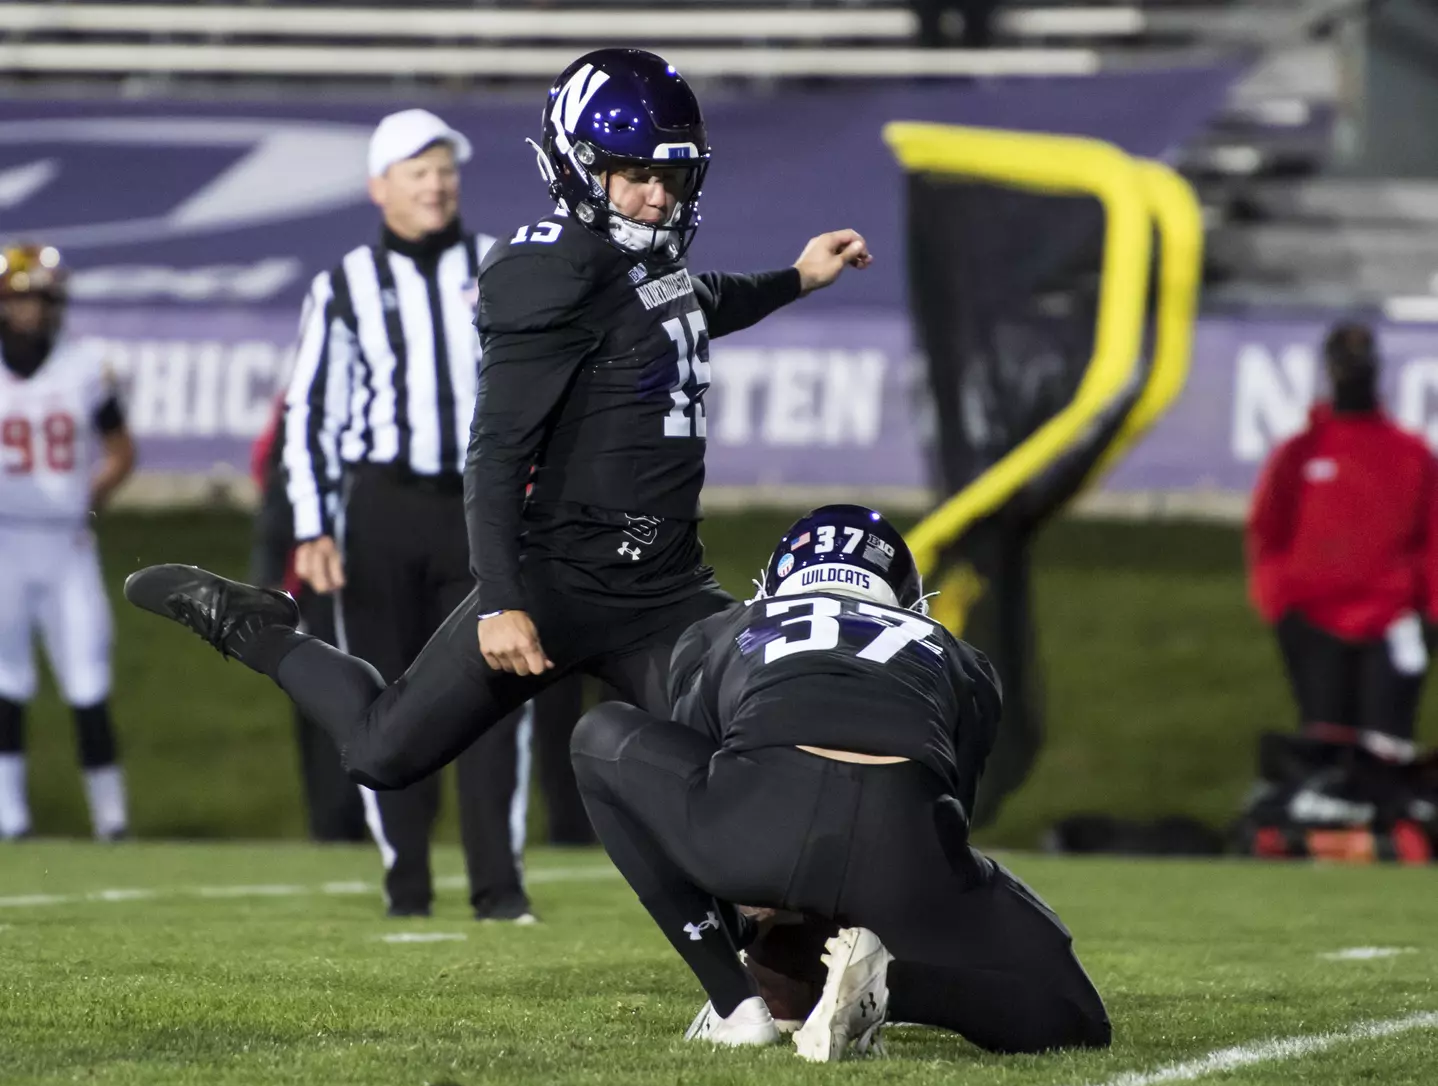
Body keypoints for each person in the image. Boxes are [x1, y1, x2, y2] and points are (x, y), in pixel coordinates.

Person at [120, 49, 869, 849]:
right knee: (381, 751)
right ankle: (253, 626)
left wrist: (795, 279)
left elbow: (692, 302)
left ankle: (772, 958)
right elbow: (498, 450)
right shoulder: (549, 268)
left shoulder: (645, 258)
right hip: (558, 583)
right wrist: (503, 599)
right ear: (580, 169)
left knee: (759, 741)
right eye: (635, 175)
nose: (658, 197)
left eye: (673, 177)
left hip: (662, 589)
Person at [569, 505, 1111, 1058]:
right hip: (903, 853)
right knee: (1073, 1016)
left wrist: (750, 900)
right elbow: (955, 805)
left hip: (755, 832)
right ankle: (886, 988)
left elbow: (695, 775)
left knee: (598, 735)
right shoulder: (957, 654)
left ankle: (738, 1004)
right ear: (905, 597)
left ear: (775, 583)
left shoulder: (724, 629)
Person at [280, 108, 532, 920]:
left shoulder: (501, 265)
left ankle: (501, 892)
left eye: (445, 170)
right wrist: (312, 523)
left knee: (496, 695)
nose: (436, 183)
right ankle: (408, 890)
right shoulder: (346, 284)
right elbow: (312, 412)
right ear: (378, 187)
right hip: (382, 507)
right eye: (417, 171)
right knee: (383, 700)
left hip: (477, 510)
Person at [1248, 321, 1438, 761]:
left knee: (1387, 748)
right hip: (1315, 621)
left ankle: (1384, 829)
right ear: (1331, 372)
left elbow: (1432, 536)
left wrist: (1431, 610)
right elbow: (1267, 531)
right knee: (1325, 743)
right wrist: (1279, 604)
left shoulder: (1409, 454)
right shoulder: (1301, 452)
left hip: (1391, 621)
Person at [0, 243, 136, 841]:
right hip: (3, 540)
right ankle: (9, 817)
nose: (30, 312)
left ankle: (112, 821)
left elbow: (120, 450)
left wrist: (87, 498)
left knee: (88, 678)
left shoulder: (84, 366)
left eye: (40, 300)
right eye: (19, 299)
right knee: (4, 680)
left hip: (66, 543)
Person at [250, 395, 366, 843]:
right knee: (327, 709)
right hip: (320, 581)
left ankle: (381, 819)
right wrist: (272, 591)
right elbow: (277, 495)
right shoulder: (304, 400)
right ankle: (335, 826)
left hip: (382, 573)